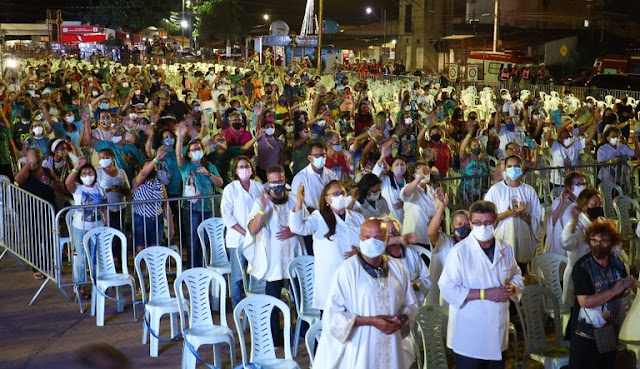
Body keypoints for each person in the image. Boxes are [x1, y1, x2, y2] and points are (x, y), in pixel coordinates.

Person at [313, 218, 419, 369]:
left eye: (377, 238)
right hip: (360, 347)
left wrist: (402, 318)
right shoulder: (347, 271)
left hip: (392, 345)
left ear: (387, 240)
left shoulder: (397, 269)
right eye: (366, 238)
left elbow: (411, 304)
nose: (371, 242)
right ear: (360, 239)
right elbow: (333, 316)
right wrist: (371, 321)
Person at [439, 200, 524, 369]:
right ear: (471, 223)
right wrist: (485, 294)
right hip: (469, 335)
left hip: (498, 332)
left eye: (487, 223)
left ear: (496, 223)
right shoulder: (460, 252)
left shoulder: (505, 249)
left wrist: (513, 287)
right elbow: (447, 287)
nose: (482, 227)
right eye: (477, 223)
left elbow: (517, 275)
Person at [245, 165, 304, 345]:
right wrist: (263, 210)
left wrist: (294, 230)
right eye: (273, 182)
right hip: (274, 260)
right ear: (268, 184)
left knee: (302, 298)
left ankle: (303, 331)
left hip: (294, 255)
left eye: (280, 181)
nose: (277, 185)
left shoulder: (294, 199)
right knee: (273, 300)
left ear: (285, 180)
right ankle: (275, 336)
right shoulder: (261, 202)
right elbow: (253, 229)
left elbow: (307, 223)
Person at [569, 219, 636, 369]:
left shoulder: (617, 263)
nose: (598, 245)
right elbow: (585, 301)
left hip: (610, 330)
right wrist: (615, 290)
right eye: (594, 240)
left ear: (612, 242)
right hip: (586, 334)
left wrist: (625, 288)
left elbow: (621, 294)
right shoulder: (583, 267)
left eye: (604, 241)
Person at [289, 180, 365, 311]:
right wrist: (299, 202)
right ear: (326, 199)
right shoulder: (319, 217)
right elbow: (297, 228)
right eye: (335, 194)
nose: (340, 196)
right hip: (330, 278)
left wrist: (360, 252)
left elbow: (367, 242)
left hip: (355, 275)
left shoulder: (357, 217)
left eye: (342, 193)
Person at [176, 125, 224, 268]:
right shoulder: (185, 166)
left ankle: (206, 265)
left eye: (199, 149)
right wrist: (179, 137)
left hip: (208, 207)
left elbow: (220, 182)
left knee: (207, 238)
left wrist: (207, 173)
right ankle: (194, 267)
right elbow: (178, 155)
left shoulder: (209, 165)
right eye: (193, 150)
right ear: (189, 154)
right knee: (194, 240)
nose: (197, 151)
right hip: (191, 208)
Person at [484, 155, 542, 271]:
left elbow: (536, 218)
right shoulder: (496, 190)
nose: (513, 169)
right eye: (510, 166)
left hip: (523, 238)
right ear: (505, 169)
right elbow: (487, 218)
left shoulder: (529, 191)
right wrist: (507, 214)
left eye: (516, 166)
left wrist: (523, 215)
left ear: (522, 168)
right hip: (503, 238)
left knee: (521, 273)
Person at [221, 156, 264, 307]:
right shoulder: (230, 189)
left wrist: (254, 232)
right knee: (238, 274)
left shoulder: (258, 187)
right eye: (241, 167)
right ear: (236, 171)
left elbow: (263, 209)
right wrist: (245, 233)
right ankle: (237, 305)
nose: (245, 169)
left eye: (247, 166)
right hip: (238, 237)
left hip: (257, 236)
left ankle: (255, 304)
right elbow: (227, 216)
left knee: (257, 272)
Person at [65, 156, 107, 299]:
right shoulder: (78, 188)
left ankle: (98, 283)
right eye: (84, 173)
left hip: (98, 226)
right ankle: (81, 286)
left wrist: (107, 223)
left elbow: (105, 207)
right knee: (81, 257)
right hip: (80, 227)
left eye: (90, 173)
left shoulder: (100, 189)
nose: (88, 176)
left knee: (97, 256)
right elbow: (68, 182)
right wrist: (77, 166)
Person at [427, 189, 471, 306]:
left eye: (467, 224)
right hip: (443, 296)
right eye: (459, 224)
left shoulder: (473, 245)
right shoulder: (445, 242)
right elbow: (432, 232)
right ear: (452, 226)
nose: (463, 227)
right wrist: (441, 207)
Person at [131, 152, 172, 253]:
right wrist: (156, 158)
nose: (152, 169)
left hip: (157, 219)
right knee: (141, 249)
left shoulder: (160, 184)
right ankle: (142, 269)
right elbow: (144, 174)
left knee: (155, 250)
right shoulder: (137, 183)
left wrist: (171, 224)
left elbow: (165, 204)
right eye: (149, 167)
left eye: (154, 168)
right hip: (141, 219)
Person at [385, 217, 431, 303]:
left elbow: (426, 278)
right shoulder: (381, 258)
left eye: (394, 230)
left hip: (415, 303)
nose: (393, 234)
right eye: (388, 232)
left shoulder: (410, 252)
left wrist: (416, 285)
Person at [545, 171, 587, 255]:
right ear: (569, 187)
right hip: (562, 246)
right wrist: (561, 205)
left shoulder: (588, 202)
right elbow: (550, 223)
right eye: (578, 184)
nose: (582, 187)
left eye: (584, 184)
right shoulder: (558, 202)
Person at [400, 160, 437, 245]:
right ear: (414, 174)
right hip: (414, 237)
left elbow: (436, 208)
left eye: (427, 172)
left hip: (429, 236)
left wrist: (436, 217)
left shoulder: (430, 189)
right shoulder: (412, 188)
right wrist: (419, 178)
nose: (425, 175)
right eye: (422, 172)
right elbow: (405, 194)